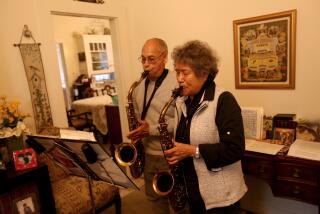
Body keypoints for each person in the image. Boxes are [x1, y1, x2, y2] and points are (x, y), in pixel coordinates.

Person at [164, 40, 247, 214]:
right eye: (177, 72)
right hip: (193, 191)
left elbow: (235, 149)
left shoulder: (224, 100)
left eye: (185, 73)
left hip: (221, 198)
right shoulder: (182, 101)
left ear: (203, 73)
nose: (179, 79)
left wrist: (192, 151)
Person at [127, 38, 177, 214]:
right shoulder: (138, 87)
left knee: (178, 202)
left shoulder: (177, 82)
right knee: (154, 198)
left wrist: (152, 129)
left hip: (171, 154)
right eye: (142, 59)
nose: (145, 65)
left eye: (151, 59)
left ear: (164, 57)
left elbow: (182, 122)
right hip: (148, 153)